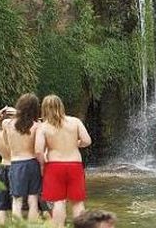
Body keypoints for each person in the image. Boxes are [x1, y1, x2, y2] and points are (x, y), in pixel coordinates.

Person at [35, 94, 92, 228]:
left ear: (44, 109)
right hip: (75, 164)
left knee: (58, 201)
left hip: (54, 166)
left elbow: (38, 150)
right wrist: (75, 143)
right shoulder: (75, 121)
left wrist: (42, 165)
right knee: (77, 202)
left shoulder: (43, 127)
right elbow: (87, 141)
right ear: (61, 106)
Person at [2, 93, 42, 222]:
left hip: (16, 164)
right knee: (33, 199)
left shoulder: (7, 124)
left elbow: (6, 143)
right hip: (32, 163)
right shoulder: (37, 126)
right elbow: (38, 148)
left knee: (17, 201)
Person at [0, 106, 17, 225]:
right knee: (17, 202)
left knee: (1, 205)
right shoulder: (18, 136)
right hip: (17, 167)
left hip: (3, 167)